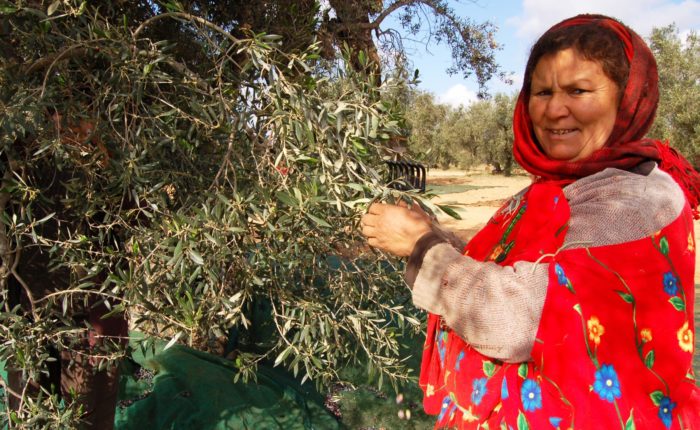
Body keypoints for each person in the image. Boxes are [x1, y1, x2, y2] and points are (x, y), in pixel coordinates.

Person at [361, 14, 700, 429]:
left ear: (627, 98)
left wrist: (423, 248)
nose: (555, 109)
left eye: (578, 90)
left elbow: (522, 320)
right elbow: (516, 268)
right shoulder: (555, 189)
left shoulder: (635, 202)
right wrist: (434, 234)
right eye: (542, 91)